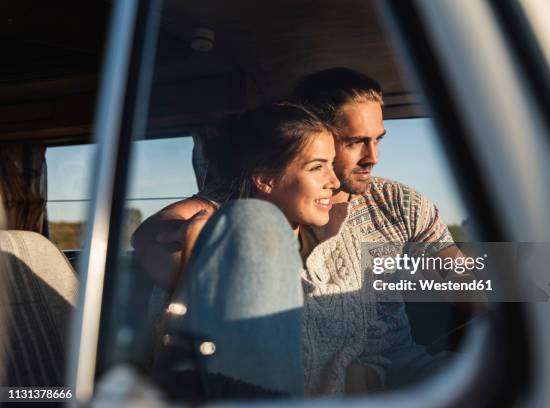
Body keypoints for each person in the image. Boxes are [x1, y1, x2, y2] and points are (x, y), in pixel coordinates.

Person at [133, 68, 461, 395]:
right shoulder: (252, 203)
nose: (372, 158)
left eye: (377, 140)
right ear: (317, 133)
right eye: (356, 142)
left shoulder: (400, 203)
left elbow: (463, 278)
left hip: (404, 369)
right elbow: (155, 237)